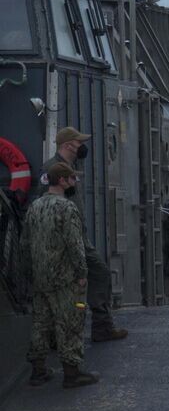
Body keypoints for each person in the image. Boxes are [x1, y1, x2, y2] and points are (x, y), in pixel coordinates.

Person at [33, 126, 128, 341]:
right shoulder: (51, 170)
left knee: (95, 274)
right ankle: (88, 330)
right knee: (91, 275)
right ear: (68, 145)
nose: (81, 146)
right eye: (78, 142)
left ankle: (97, 326)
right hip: (63, 239)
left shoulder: (69, 167)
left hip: (77, 236)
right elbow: (40, 202)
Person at [24, 161, 100, 388]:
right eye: (72, 178)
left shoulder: (34, 207)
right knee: (71, 321)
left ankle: (38, 371)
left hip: (40, 277)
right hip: (65, 277)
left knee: (41, 322)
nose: (75, 181)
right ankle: (71, 372)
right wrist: (82, 272)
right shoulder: (67, 208)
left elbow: (24, 244)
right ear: (63, 181)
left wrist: (30, 272)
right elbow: (75, 244)